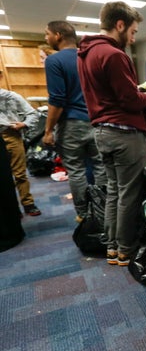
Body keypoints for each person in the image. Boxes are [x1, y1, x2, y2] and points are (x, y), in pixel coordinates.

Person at [77, 2, 146, 267]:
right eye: (133, 32)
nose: (133, 38)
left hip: (102, 132)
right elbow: (131, 102)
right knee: (128, 195)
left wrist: (141, 88)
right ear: (119, 25)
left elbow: (114, 94)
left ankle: (111, 247)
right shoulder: (113, 54)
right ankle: (126, 250)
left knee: (114, 191)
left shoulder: (87, 53)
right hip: (124, 135)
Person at [43, 20, 106, 222]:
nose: (46, 38)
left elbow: (57, 100)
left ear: (58, 35)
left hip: (72, 124)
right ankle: (105, 210)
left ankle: (85, 215)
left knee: (77, 171)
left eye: (47, 34)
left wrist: (48, 130)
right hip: (97, 121)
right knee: (100, 167)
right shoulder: (89, 57)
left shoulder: (54, 61)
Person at [0, 87, 42, 217]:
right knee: (3, 177)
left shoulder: (10, 96)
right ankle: (11, 208)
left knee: (19, 173)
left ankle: (28, 203)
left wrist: (23, 124)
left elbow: (32, 113)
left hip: (10, 135)